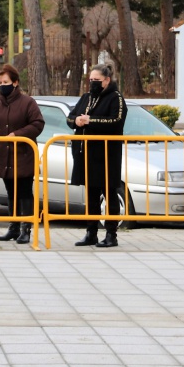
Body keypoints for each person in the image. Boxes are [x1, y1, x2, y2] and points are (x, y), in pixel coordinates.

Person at [67, 65, 129, 248]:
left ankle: (111, 234)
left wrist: (90, 121)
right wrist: (77, 120)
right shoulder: (86, 97)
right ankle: (91, 232)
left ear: (107, 80)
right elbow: (71, 117)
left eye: (96, 80)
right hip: (85, 152)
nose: (92, 83)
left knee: (109, 193)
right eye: (91, 80)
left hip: (107, 154)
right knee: (91, 194)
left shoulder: (115, 98)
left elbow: (116, 121)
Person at [0, 65, 44, 244]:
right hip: (4, 157)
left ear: (15, 83)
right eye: (0, 83)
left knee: (24, 192)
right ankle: (13, 227)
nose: (3, 85)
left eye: (6, 82)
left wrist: (17, 135)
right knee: (10, 193)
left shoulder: (28, 102)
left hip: (23, 156)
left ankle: (26, 228)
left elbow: (38, 124)